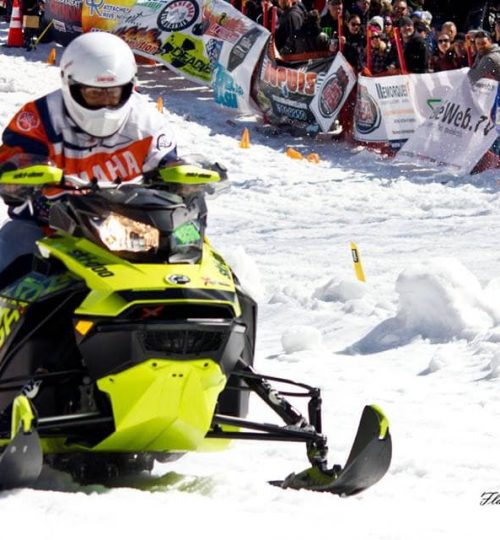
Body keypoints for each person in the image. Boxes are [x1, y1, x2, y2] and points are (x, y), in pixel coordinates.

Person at [0, 32, 178, 274]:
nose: (105, 103)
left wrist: (183, 178)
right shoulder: (39, 118)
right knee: (10, 246)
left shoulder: (148, 123)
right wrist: (19, 178)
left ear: (129, 87)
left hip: (131, 230)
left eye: (113, 93)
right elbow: (10, 164)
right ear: (71, 85)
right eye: (94, 93)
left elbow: (168, 170)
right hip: (50, 227)